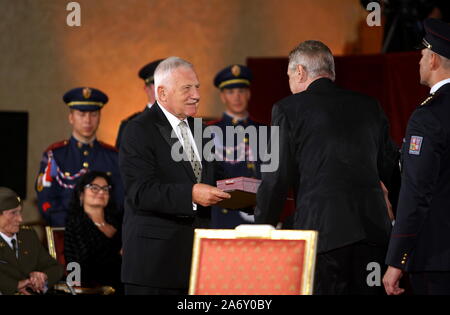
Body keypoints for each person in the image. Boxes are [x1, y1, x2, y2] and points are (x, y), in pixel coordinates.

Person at [254, 40, 395, 295]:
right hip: (373, 235)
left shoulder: (285, 109)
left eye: (288, 75)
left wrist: (262, 228)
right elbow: (390, 169)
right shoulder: (369, 105)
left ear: (299, 72)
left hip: (323, 236)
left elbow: (276, 178)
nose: (289, 82)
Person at [119, 56, 230, 295]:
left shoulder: (200, 129)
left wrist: (245, 191)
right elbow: (140, 192)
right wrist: (190, 194)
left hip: (198, 266)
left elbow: (215, 179)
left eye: (197, 86)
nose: (197, 95)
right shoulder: (137, 130)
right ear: (162, 93)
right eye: (187, 88)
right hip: (154, 268)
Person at [383, 18, 450, 295]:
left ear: (433, 59)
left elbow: (416, 192)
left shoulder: (428, 117)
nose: (419, 61)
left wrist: (396, 259)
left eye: (422, 55)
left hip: (437, 259)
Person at [35, 87, 124, 227]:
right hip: (65, 233)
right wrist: (75, 227)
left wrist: (102, 225)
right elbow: (46, 199)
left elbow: (121, 201)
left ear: (100, 117)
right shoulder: (55, 155)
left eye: (93, 114)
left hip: (105, 236)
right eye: (81, 114)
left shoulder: (113, 156)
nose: (88, 120)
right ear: (71, 117)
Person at [209, 64, 266, 228]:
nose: (237, 97)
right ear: (222, 96)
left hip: (259, 216)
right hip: (225, 216)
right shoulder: (210, 132)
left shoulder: (265, 131)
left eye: (241, 91)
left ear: (249, 94)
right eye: (230, 92)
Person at [64, 171, 122, 292]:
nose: (101, 192)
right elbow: (80, 266)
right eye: (94, 188)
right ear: (81, 194)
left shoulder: (119, 222)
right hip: (94, 288)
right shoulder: (76, 224)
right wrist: (119, 255)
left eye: (105, 189)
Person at [0, 187, 63, 295]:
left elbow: (56, 268)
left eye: (20, 212)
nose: (20, 219)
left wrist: (42, 276)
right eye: (13, 213)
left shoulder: (27, 235)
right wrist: (15, 285)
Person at [115, 59, 163, 149]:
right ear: (146, 88)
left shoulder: (193, 125)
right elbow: (120, 162)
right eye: (158, 84)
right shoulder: (130, 126)